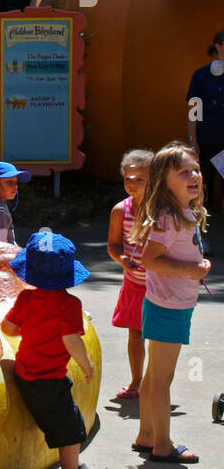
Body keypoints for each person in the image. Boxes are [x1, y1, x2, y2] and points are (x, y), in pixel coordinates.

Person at [0, 229, 100, 469]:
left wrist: (31, 330)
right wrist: (86, 365)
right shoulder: (69, 305)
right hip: (48, 378)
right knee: (70, 425)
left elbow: (8, 328)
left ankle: (74, 464)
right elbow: (71, 340)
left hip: (26, 373)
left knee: (66, 420)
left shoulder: (25, 299)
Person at [130, 142, 209, 464]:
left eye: (196, 169)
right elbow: (150, 259)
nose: (194, 176)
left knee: (153, 376)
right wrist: (191, 270)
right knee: (162, 379)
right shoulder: (170, 218)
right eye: (184, 172)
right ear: (164, 181)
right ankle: (162, 443)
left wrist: (194, 268)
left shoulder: (180, 214)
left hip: (168, 304)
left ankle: (147, 434)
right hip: (169, 306)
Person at [105, 149, 152, 402]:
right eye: (127, 179)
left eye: (139, 179)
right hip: (134, 285)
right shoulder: (119, 211)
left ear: (154, 179)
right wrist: (122, 260)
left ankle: (156, 382)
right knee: (135, 334)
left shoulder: (162, 210)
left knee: (158, 336)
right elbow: (113, 245)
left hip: (160, 286)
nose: (131, 184)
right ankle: (136, 381)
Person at [186, 29, 224, 252]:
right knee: (203, 193)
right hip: (208, 141)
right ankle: (201, 240)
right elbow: (193, 109)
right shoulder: (201, 76)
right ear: (218, 46)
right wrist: (192, 140)